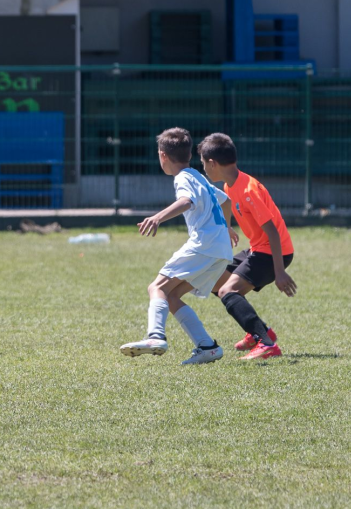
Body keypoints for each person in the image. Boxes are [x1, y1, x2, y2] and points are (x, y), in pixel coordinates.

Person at [119, 128, 232, 365]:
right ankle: (207, 347)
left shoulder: (182, 178)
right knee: (171, 296)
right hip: (221, 249)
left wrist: (158, 217)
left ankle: (155, 337)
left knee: (156, 287)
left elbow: (186, 201)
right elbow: (227, 200)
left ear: (162, 156)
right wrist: (227, 228)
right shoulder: (199, 176)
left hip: (204, 244)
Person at [198, 132, 297, 361]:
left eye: (204, 164)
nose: (204, 169)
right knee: (214, 280)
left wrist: (279, 272)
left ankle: (266, 343)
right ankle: (260, 332)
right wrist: (229, 226)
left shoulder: (248, 189)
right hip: (259, 248)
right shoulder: (230, 184)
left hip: (273, 251)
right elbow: (228, 203)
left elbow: (272, 231)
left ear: (213, 163)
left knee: (227, 291)